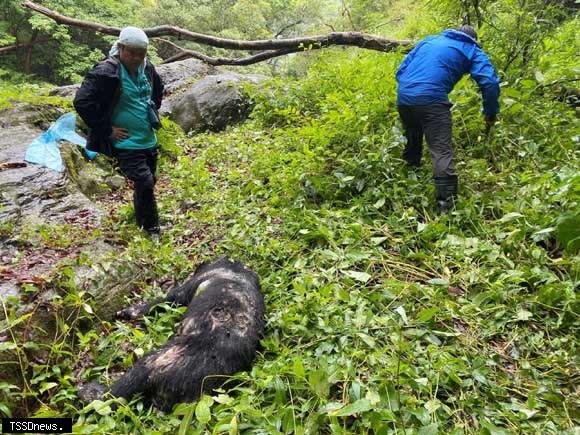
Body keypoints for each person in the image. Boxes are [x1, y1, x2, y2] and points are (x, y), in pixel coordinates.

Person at [395, 24, 500, 213]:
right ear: (474, 40)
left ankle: (409, 175)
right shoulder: (471, 49)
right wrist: (490, 111)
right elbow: (490, 82)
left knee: (413, 134)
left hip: (404, 96)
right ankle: (448, 208)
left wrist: (411, 90)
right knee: (441, 149)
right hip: (432, 99)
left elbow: (401, 70)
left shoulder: (429, 40)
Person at [74, 26, 164, 238]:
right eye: (130, 52)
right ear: (120, 47)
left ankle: (142, 219)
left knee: (148, 181)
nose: (134, 57)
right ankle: (151, 228)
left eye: (139, 53)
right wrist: (107, 129)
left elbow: (158, 89)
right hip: (126, 143)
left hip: (147, 138)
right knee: (144, 181)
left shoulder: (147, 68)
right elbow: (82, 101)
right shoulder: (106, 71)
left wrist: (151, 110)